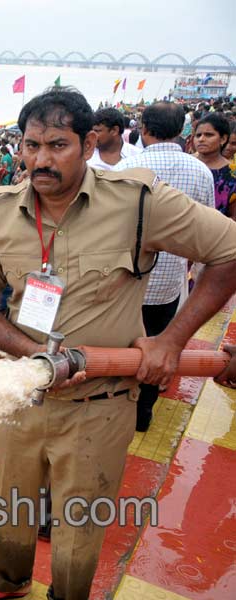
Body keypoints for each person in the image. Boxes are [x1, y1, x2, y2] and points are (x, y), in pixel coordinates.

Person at [0, 87, 236, 600]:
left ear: (88, 144)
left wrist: (172, 341)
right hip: (21, 393)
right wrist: (34, 356)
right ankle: (7, 583)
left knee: (78, 530)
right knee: (12, 506)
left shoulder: (136, 204)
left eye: (57, 145)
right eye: (31, 144)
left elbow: (229, 251)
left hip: (99, 403)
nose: (41, 159)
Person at [114, 101, 216, 432]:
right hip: (169, 286)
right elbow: (209, 236)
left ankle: (117, 411)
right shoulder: (200, 171)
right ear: (182, 132)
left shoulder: (122, 170)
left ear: (143, 130)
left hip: (123, 285)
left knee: (120, 351)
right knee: (158, 350)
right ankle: (143, 412)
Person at [192, 113, 236, 218]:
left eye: (208, 135)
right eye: (198, 135)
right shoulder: (185, 164)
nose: (201, 139)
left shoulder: (232, 174)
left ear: (223, 139)